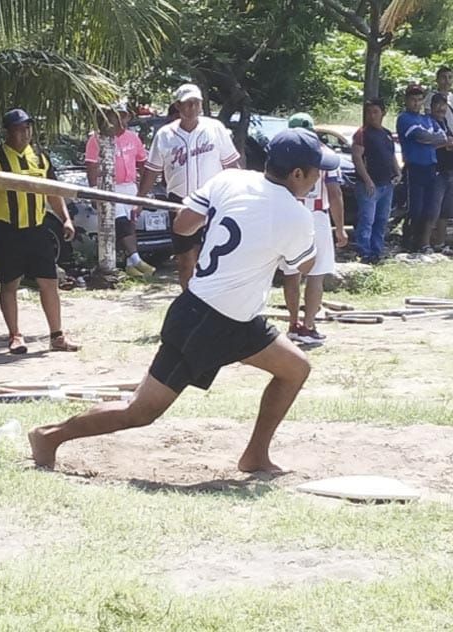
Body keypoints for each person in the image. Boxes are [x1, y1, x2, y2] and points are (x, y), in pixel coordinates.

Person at [28, 128, 338, 472]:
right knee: (140, 412)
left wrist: (219, 214)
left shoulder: (230, 181)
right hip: (204, 321)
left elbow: (184, 225)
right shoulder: (295, 216)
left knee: (295, 369)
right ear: (297, 173)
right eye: (315, 171)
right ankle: (50, 436)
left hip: (236, 319)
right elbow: (305, 265)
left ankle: (255, 456)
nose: (317, 178)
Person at [0, 108, 79, 355]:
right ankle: (15, 335)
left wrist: (65, 219)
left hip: (37, 229)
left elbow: (53, 191)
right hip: (7, 231)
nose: (25, 133)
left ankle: (57, 335)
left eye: (28, 128)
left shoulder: (40, 157)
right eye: (19, 129)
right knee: (9, 284)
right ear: (8, 132)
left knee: (49, 282)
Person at [135, 84, 240, 288]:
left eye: (196, 103)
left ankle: (208, 300)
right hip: (180, 202)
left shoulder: (214, 128)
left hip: (213, 200)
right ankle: (187, 302)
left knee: (210, 256)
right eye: (187, 104)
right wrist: (140, 199)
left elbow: (231, 164)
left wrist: (238, 193)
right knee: (184, 260)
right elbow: (152, 169)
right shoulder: (165, 135)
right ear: (178, 106)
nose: (192, 108)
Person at [279, 113, 347, 345]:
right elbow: (335, 193)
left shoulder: (282, 155)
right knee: (316, 274)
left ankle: (293, 323)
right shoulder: (326, 155)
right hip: (317, 215)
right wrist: (340, 228)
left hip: (289, 214)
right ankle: (308, 326)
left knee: (291, 272)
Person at [84, 103, 152, 277]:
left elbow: (143, 162)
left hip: (130, 186)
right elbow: (91, 165)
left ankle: (131, 265)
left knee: (130, 224)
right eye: (116, 116)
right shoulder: (97, 138)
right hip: (110, 186)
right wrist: (93, 190)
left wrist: (143, 190)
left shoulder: (133, 137)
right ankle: (137, 259)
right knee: (120, 220)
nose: (120, 120)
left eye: (123, 116)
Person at [397, 84, 451, 253]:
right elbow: (421, 136)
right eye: (413, 99)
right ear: (407, 100)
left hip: (431, 167)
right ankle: (409, 243)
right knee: (415, 208)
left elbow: (442, 137)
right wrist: (432, 138)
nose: (416, 103)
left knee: (429, 208)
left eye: (419, 99)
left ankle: (422, 244)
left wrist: (432, 139)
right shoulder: (404, 118)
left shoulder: (426, 119)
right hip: (414, 168)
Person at [351, 99, 402, 263]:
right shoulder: (362, 133)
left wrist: (398, 172)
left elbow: (391, 155)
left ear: (383, 113)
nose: (372, 116)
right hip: (369, 185)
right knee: (367, 219)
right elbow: (357, 158)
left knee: (381, 219)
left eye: (375, 112)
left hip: (387, 184)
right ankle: (364, 251)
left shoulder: (387, 133)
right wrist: (367, 180)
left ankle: (377, 250)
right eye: (369, 112)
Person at [429, 93, 453, 254]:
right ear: (431, 107)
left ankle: (440, 243)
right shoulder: (428, 123)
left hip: (449, 170)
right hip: (435, 170)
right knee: (433, 209)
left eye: (443, 105)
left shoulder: (445, 122)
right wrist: (446, 142)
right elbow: (426, 145)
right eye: (437, 104)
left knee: (446, 210)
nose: (441, 108)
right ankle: (426, 242)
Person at [424, 66, 453, 131]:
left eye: (450, 77)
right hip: (441, 134)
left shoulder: (451, 96)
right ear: (437, 80)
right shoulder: (431, 96)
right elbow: (428, 117)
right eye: (443, 77)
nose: (447, 80)